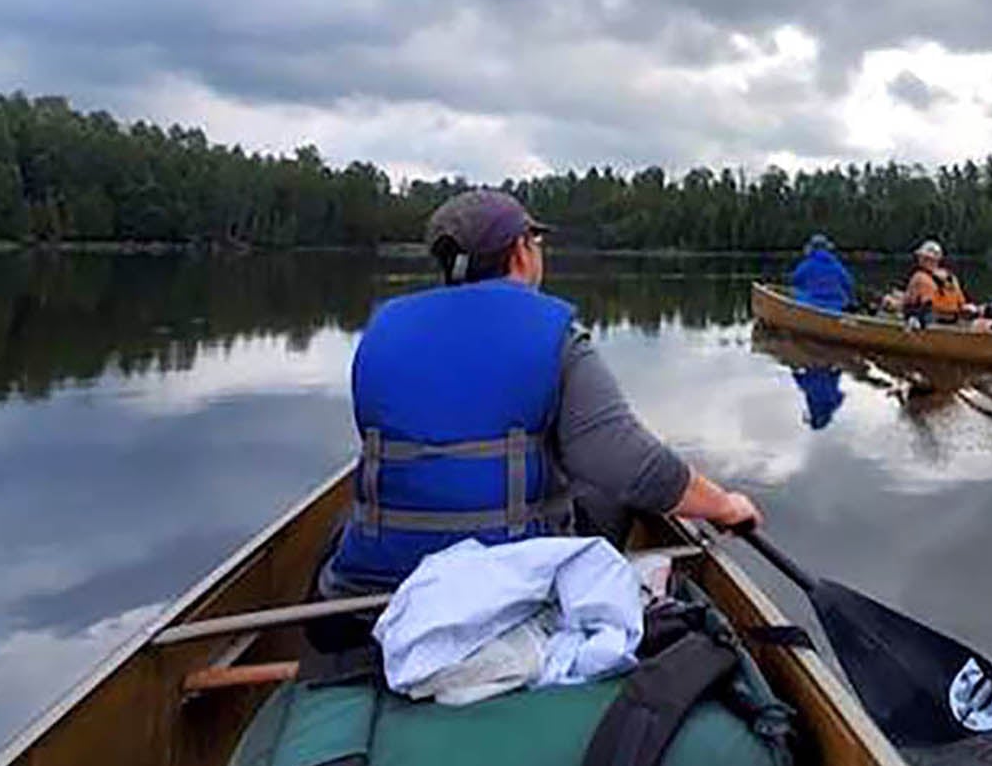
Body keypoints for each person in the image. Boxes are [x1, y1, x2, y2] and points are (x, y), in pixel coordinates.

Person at [319, 190, 759, 594]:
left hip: (372, 588)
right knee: (602, 484)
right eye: (536, 242)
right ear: (521, 251)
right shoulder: (555, 334)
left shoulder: (383, 328)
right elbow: (625, 460)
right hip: (510, 585)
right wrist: (722, 506)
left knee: (345, 521)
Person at [902, 240, 970, 325]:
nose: (919, 259)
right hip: (952, 319)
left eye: (920, 257)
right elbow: (961, 303)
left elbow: (909, 301)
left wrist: (892, 302)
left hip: (930, 320)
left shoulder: (919, 277)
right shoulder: (951, 278)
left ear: (925, 259)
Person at [786, 232, 857, 312]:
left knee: (797, 293)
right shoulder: (838, 267)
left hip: (810, 305)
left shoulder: (806, 265)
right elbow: (848, 285)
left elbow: (795, 280)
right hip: (835, 308)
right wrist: (853, 302)